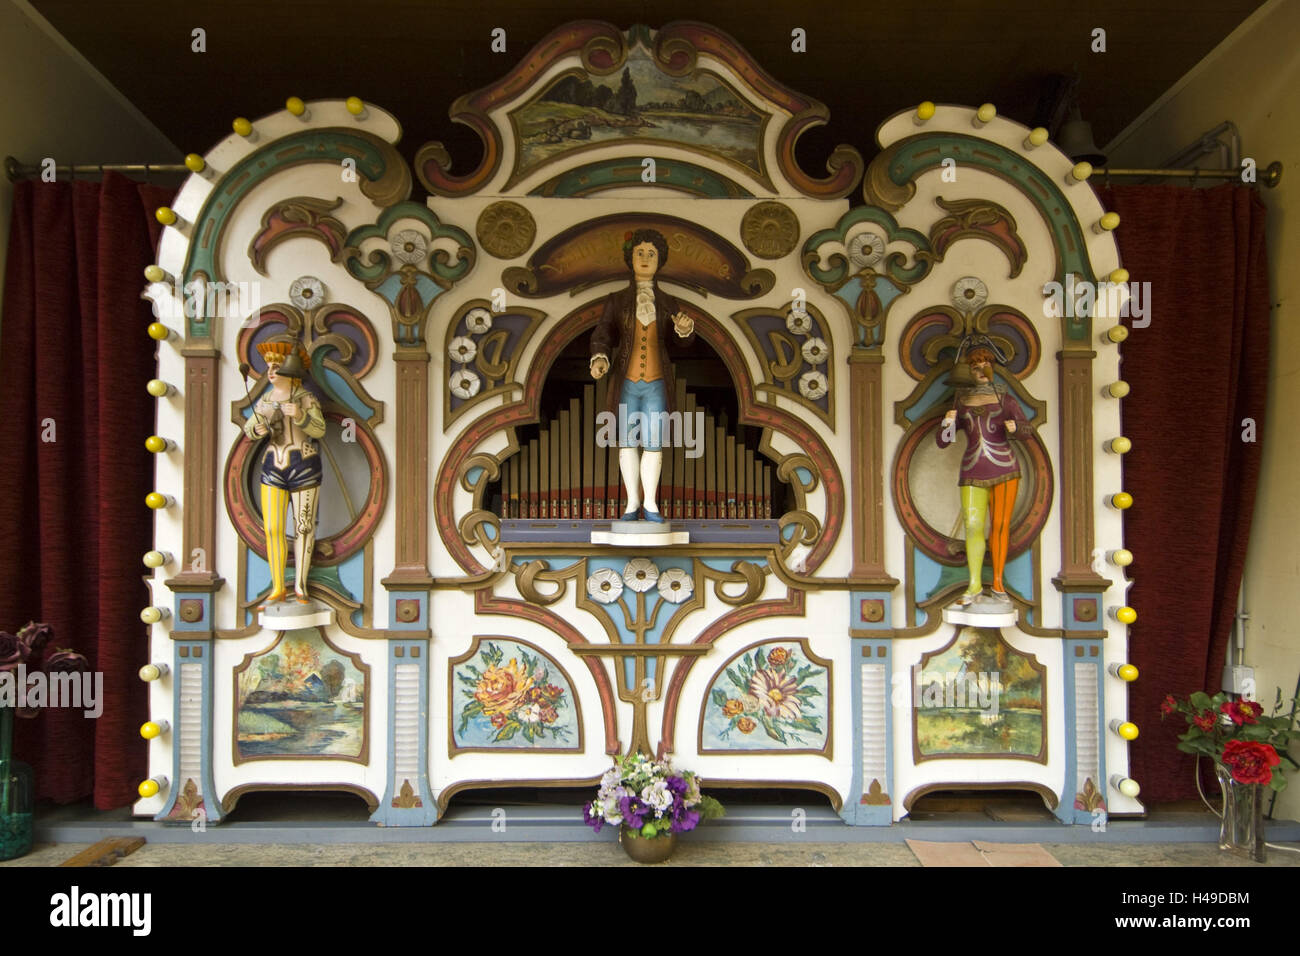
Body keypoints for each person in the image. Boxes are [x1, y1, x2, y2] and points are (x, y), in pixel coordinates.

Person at [590, 229, 695, 522]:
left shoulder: (668, 302)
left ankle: (650, 503)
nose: (645, 258)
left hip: (656, 382)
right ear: (630, 258)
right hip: (626, 381)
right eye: (640, 253)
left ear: (659, 260)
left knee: (652, 442)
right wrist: (599, 357)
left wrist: (684, 329)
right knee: (626, 441)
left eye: (651, 254)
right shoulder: (616, 300)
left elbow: (683, 343)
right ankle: (631, 502)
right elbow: (602, 334)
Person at [937, 344, 1032, 607]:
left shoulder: (1006, 400)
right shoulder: (961, 401)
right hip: (972, 469)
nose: (979, 371)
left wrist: (1016, 427)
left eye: (984, 366)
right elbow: (944, 441)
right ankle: (975, 584)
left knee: (1000, 526)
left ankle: (999, 583)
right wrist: (948, 422)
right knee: (973, 527)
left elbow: (1027, 432)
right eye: (974, 367)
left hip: (1005, 468)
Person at [243, 339, 326, 607]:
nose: (270, 371)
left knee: (303, 527)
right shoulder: (265, 399)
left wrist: (300, 416)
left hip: (303, 465)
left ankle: (300, 585)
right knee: (273, 528)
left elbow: (319, 430)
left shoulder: (306, 398)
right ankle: (278, 585)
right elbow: (249, 428)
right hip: (273, 466)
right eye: (268, 366)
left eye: (276, 366)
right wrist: (258, 429)